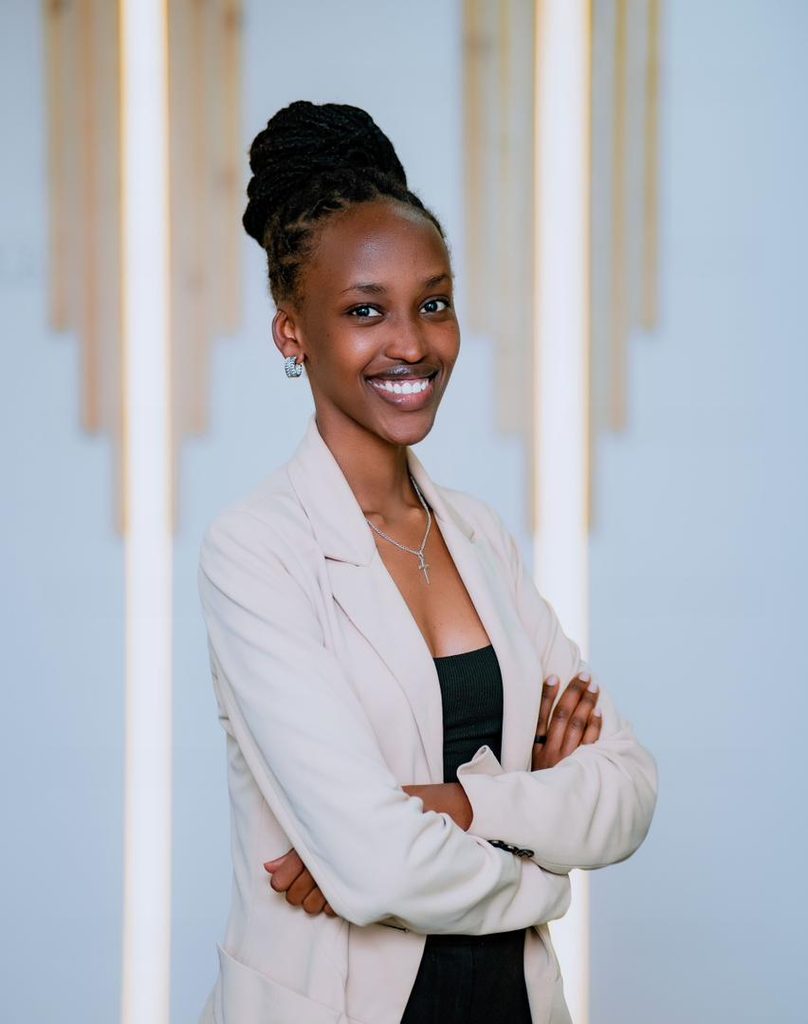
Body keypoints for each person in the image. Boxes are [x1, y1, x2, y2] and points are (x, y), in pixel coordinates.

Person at [197, 100, 657, 1024]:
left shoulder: (480, 536)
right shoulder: (256, 551)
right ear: (294, 332)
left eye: (433, 303)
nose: (411, 344)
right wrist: (542, 861)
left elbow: (629, 789)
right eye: (365, 311)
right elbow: (373, 862)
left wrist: (451, 807)